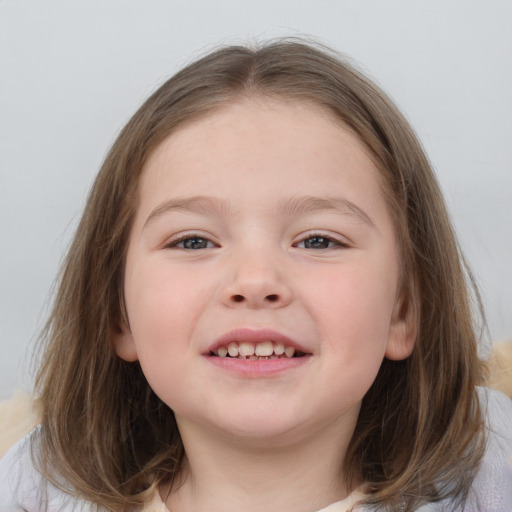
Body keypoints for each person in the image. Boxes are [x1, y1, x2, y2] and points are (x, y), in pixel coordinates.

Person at [0, 39, 511, 512]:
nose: (255, 281)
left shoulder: (493, 470)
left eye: (318, 241)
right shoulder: (35, 488)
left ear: (403, 309)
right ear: (118, 314)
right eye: (193, 241)